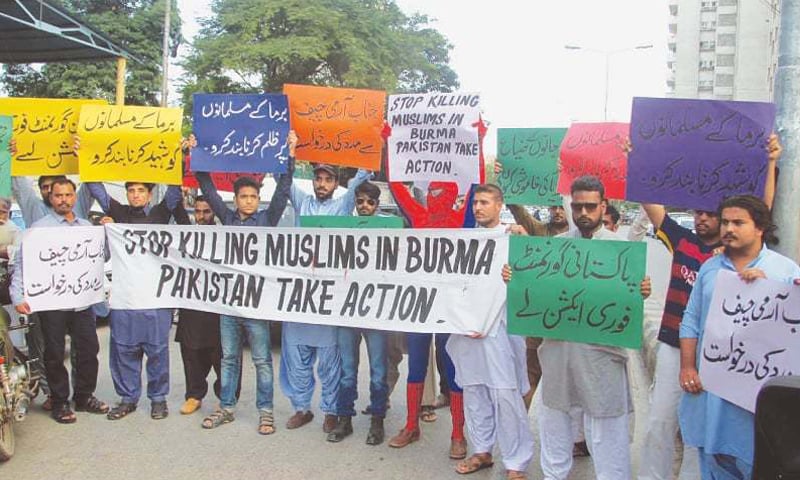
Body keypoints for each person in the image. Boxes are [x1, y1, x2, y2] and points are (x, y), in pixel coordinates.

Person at [637, 134, 781, 480]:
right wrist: (640, 156)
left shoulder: (736, 256)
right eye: (696, 212)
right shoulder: (682, 239)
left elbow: (763, 209)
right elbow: (650, 204)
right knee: (659, 421)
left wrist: (772, 162)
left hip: (720, 354)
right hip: (675, 344)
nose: (700, 219)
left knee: (698, 431)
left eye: (708, 214)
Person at [536, 175, 650, 480]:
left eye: (590, 206)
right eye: (578, 206)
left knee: (607, 427)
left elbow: (626, 307)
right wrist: (517, 278)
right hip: (559, 355)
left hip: (601, 358)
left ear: (603, 206)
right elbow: (535, 296)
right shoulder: (554, 249)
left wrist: (639, 291)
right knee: (555, 421)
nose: (583, 213)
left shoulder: (620, 251)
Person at [679, 195, 800, 479]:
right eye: (725, 222)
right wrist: (687, 367)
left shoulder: (784, 271)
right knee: (714, 463)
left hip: (756, 401)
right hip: (711, 395)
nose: (728, 229)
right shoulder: (710, 269)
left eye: (738, 222)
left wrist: (765, 288)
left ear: (759, 228)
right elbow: (691, 322)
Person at [194, 133, 294, 435]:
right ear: (235, 200)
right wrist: (197, 154)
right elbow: (208, 190)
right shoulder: (226, 217)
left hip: (257, 303)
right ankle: (226, 406)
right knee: (229, 358)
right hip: (228, 302)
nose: (248, 201)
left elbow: (283, 191)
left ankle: (266, 412)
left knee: (262, 359)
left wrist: (290, 154)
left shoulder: (267, 219)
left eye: (252, 197)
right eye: (243, 197)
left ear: (257, 198)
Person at [447, 184, 534, 480]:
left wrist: (524, 248)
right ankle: (482, 450)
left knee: (505, 396)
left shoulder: (512, 239)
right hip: (467, 331)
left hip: (500, 331)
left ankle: (516, 462)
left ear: (500, 205)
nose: (478, 208)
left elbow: (535, 275)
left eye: (485, 202)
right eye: (476, 203)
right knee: (474, 392)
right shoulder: (463, 241)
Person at [281, 160, 372, 433]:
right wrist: (290, 153)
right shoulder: (302, 201)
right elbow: (284, 180)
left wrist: (370, 146)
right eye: (318, 179)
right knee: (297, 355)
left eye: (327, 180)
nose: (322, 184)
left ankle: (331, 411)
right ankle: (302, 408)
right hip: (300, 293)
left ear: (335, 184)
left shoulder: (342, 205)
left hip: (329, 296)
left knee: (330, 358)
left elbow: (361, 175)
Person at [9, 178, 108, 423]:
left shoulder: (86, 226)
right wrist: (18, 295)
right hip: (52, 303)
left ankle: (84, 396)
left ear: (74, 197)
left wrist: (107, 232)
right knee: (54, 353)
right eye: (58, 195)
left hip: (82, 302)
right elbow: (22, 264)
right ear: (50, 198)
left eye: (67, 195)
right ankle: (60, 401)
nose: (63, 200)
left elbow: (101, 256)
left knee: (88, 350)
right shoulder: (38, 229)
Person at [85, 179, 185, 420]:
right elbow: (97, 190)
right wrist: (86, 160)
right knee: (124, 350)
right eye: (131, 190)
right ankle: (128, 399)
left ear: (149, 195)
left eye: (141, 191)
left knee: (158, 351)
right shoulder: (118, 213)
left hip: (155, 299)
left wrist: (177, 159)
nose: (136, 195)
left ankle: (158, 399)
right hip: (126, 298)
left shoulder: (160, 215)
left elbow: (173, 192)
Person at [386, 179, 468, 459]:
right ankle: (411, 425)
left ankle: (458, 433)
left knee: (453, 369)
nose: (433, 197)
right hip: (420, 307)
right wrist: (390, 146)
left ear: (452, 194)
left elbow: (476, 181)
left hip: (449, 309)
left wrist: (478, 143)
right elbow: (397, 189)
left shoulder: (461, 220)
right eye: (431, 192)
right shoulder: (419, 216)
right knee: (416, 366)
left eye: (439, 192)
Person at [327, 181, 389, 445]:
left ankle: (377, 420)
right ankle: (345, 419)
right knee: (347, 369)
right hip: (346, 310)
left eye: (370, 202)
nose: (364, 206)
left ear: (377, 205)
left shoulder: (389, 229)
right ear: (355, 201)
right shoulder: (342, 228)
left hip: (376, 311)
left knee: (378, 370)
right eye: (360, 200)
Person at [175, 195, 239, 415]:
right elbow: (174, 203)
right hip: (192, 307)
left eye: (207, 212)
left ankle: (227, 397)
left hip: (219, 309)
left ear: (215, 214)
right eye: (198, 212)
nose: (201, 216)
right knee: (191, 354)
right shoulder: (186, 233)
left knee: (224, 356)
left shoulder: (225, 237)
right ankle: (194, 395)